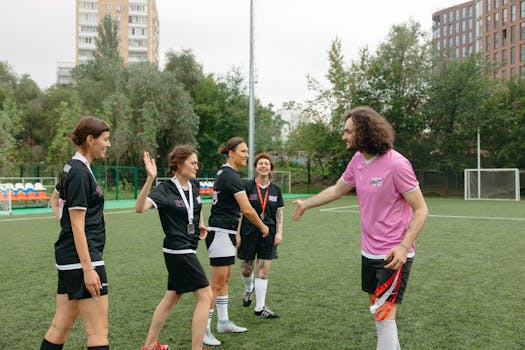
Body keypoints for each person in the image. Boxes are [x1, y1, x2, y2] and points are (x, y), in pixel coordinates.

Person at [292, 106, 428, 350]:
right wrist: (306, 204)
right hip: (368, 251)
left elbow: (421, 209)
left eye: (348, 131)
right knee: (379, 313)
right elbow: (337, 190)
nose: (344, 136)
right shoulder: (357, 161)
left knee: (384, 315)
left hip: (393, 255)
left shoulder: (397, 164)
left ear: (363, 132)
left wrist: (403, 247)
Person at [41, 116, 111, 350]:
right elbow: (77, 225)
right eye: (106, 139)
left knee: (60, 326)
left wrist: (67, 227)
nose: (108, 144)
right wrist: (89, 268)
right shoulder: (80, 172)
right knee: (98, 331)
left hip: (70, 259)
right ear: (90, 140)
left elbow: (54, 201)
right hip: (83, 260)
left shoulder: (74, 167)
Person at [135, 146, 213, 350]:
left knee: (172, 296)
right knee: (206, 296)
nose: (197, 166)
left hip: (188, 247)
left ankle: (150, 345)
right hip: (178, 250)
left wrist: (200, 224)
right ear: (179, 164)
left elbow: (196, 207)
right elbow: (139, 208)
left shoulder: (194, 185)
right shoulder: (164, 189)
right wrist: (150, 179)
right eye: (193, 163)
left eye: (197, 162)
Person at [203, 137, 270, 346]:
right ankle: (204, 329)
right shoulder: (230, 175)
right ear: (231, 152)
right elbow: (247, 209)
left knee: (225, 280)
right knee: (215, 284)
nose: (247, 155)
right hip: (221, 233)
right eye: (243, 151)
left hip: (227, 232)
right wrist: (262, 226)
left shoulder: (227, 173)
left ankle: (223, 322)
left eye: (247, 151)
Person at [237, 152, 284, 319]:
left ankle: (260, 307)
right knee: (246, 268)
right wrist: (238, 234)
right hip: (248, 232)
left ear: (271, 168)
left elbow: (279, 213)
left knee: (263, 270)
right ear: (256, 167)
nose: (263, 166)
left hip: (268, 234)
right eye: (260, 164)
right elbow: (241, 212)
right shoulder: (247, 186)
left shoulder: (276, 189)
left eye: (266, 164)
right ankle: (249, 289)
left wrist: (279, 232)